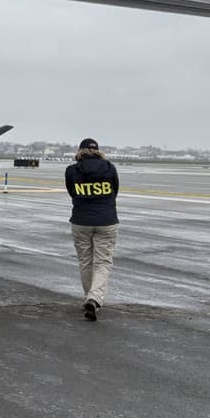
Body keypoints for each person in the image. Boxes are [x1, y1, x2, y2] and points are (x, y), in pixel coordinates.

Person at [65, 137, 120, 321]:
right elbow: (115, 191)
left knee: (85, 262)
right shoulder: (109, 167)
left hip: (81, 220)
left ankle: (89, 297)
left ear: (80, 151)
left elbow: (72, 192)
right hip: (106, 220)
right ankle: (94, 298)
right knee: (102, 263)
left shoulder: (72, 171)